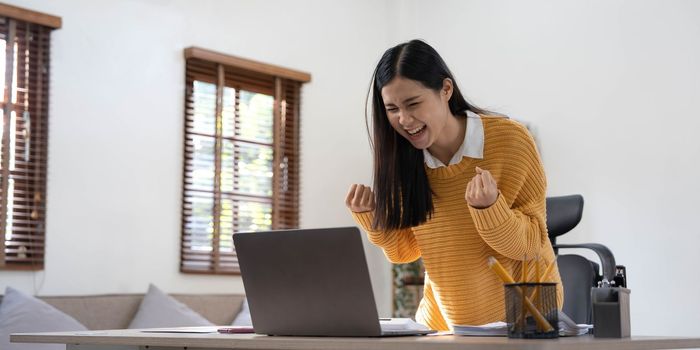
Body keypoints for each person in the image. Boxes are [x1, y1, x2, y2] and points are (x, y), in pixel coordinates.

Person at [345, 39, 563, 331]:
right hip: (446, 320)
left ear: (445, 90)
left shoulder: (510, 141)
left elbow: (529, 246)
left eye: (413, 103)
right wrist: (374, 219)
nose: (404, 119)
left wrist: (489, 210)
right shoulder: (403, 159)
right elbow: (404, 251)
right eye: (392, 108)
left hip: (524, 314)